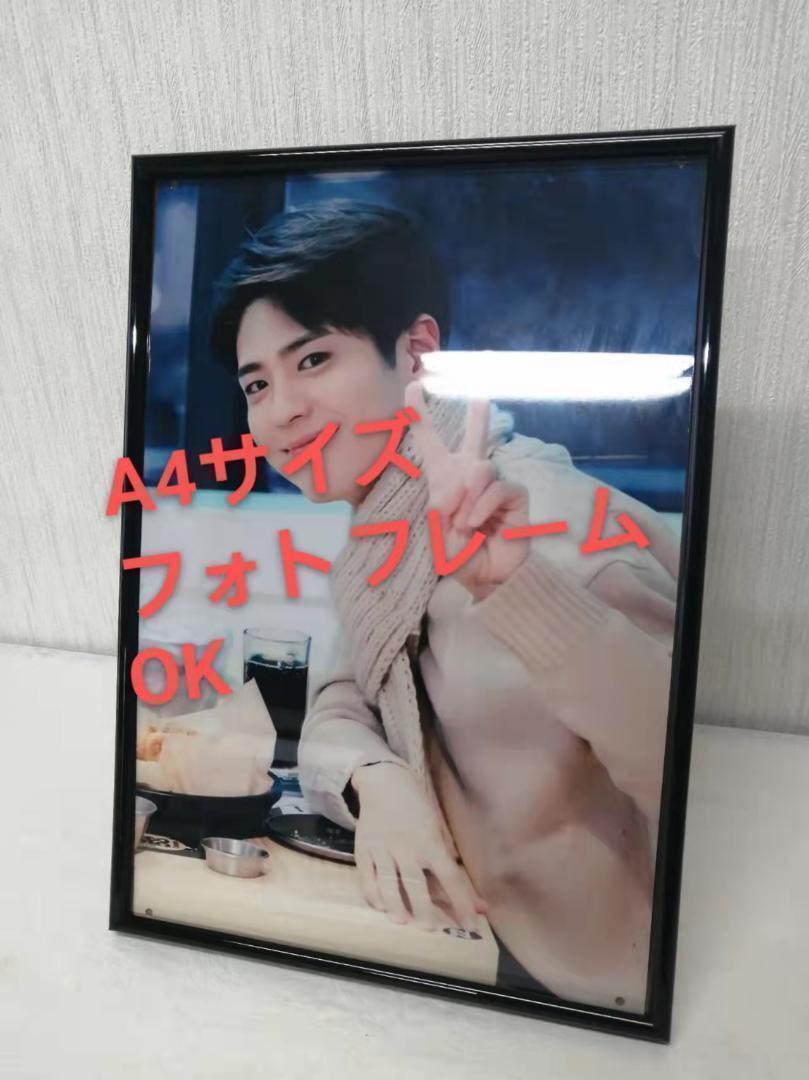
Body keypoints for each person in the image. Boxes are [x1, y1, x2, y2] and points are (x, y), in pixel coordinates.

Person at [211, 201, 680, 1011]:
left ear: (418, 353)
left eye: (313, 358)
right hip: (458, 947)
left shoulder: (556, 529)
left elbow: (687, 779)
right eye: (257, 383)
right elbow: (341, 703)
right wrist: (379, 782)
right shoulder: (385, 530)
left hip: (589, 995)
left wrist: (515, 589)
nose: (279, 411)